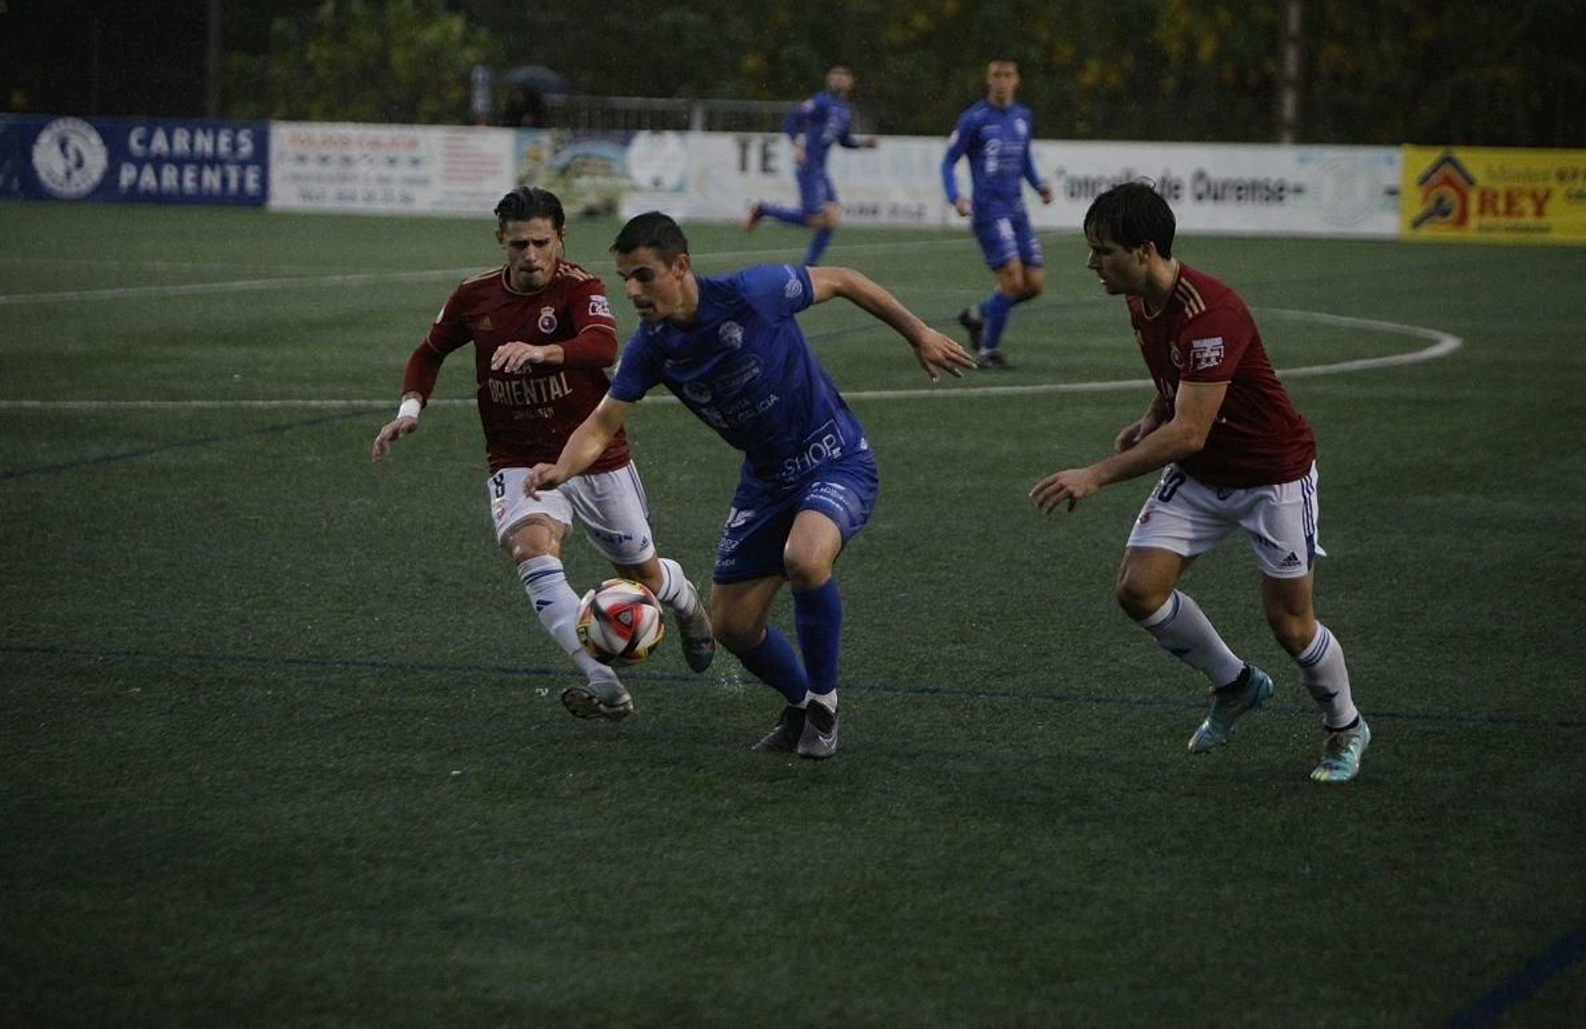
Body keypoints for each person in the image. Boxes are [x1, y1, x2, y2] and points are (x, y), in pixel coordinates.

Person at [526, 212, 973, 759]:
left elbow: (844, 279)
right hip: (765, 480)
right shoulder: (652, 348)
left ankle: (825, 709)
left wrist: (919, 333)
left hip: (834, 457)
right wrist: (561, 468)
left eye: (644, 275)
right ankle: (799, 705)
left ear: (681, 266)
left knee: (806, 560)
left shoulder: (753, 292)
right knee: (732, 627)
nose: (634, 291)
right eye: (625, 279)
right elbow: (601, 424)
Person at [1028, 181, 1372, 783]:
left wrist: (1097, 475)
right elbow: (1178, 389)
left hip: (1272, 475)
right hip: (1203, 472)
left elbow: (1191, 432)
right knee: (1139, 590)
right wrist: (1149, 417)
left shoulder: (1212, 313)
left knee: (1290, 624)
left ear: (1146, 249)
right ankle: (1236, 685)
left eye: (1103, 250)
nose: (1091, 263)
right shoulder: (1140, 300)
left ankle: (1345, 725)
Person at [371, 186, 714, 722]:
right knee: (531, 549)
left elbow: (602, 346)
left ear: (560, 238)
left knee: (641, 574)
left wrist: (543, 352)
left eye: (540, 242)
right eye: (518, 245)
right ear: (500, 241)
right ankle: (604, 684)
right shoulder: (475, 295)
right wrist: (410, 409)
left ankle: (687, 602)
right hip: (515, 454)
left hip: (591, 452)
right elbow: (428, 352)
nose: (530, 256)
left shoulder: (582, 287)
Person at [941, 57, 1055, 370]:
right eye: (996, 75)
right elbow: (948, 161)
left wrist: (1039, 185)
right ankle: (988, 351)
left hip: (1017, 211)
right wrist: (956, 197)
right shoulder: (974, 119)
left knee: (1035, 284)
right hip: (989, 212)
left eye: (1008, 75)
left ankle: (977, 315)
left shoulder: (1023, 117)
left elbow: (1024, 160)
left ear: (1017, 80)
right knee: (1013, 282)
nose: (1002, 80)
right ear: (988, 80)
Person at [742, 63, 879, 267]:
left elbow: (843, 140)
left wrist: (864, 144)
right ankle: (765, 210)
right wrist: (796, 144)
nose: (840, 78)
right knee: (813, 219)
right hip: (809, 164)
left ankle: (810, 266)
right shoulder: (820, 101)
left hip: (820, 168)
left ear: (851, 81)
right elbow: (791, 120)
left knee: (831, 217)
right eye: (836, 74)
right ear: (828, 79)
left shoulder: (845, 110)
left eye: (845, 75)